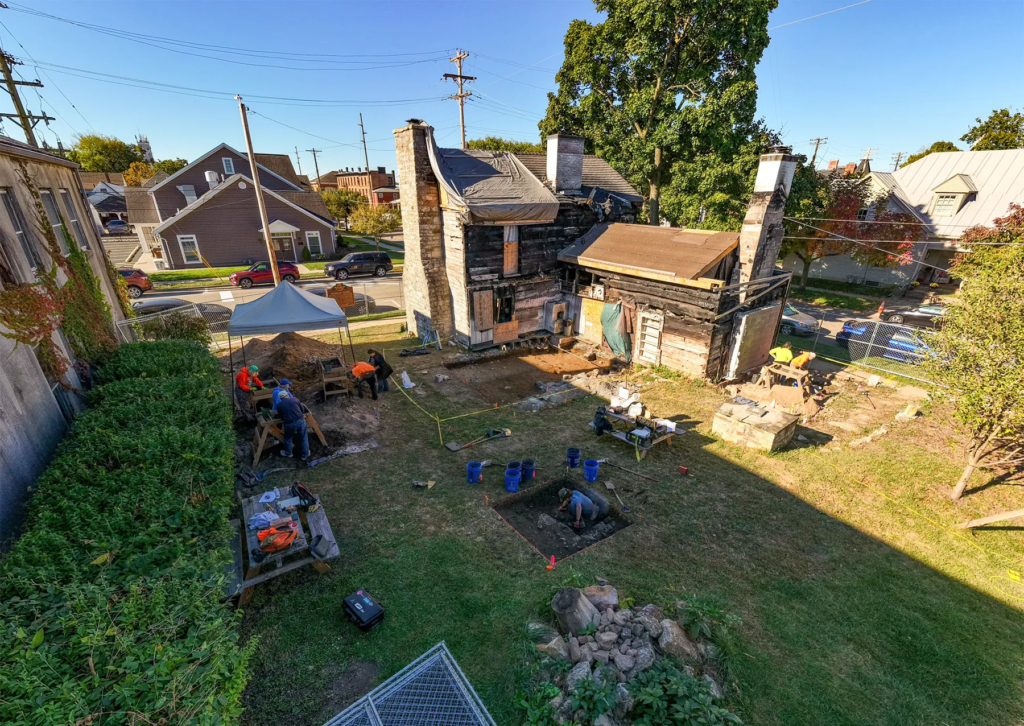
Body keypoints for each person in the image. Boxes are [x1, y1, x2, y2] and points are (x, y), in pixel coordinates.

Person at [275, 393, 309, 461]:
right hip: (301, 421)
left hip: (290, 424)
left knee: (288, 438)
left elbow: (281, 416)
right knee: (304, 438)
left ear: (280, 398)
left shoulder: (279, 405)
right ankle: (305, 455)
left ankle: (289, 453)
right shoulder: (295, 399)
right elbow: (301, 410)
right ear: (287, 395)